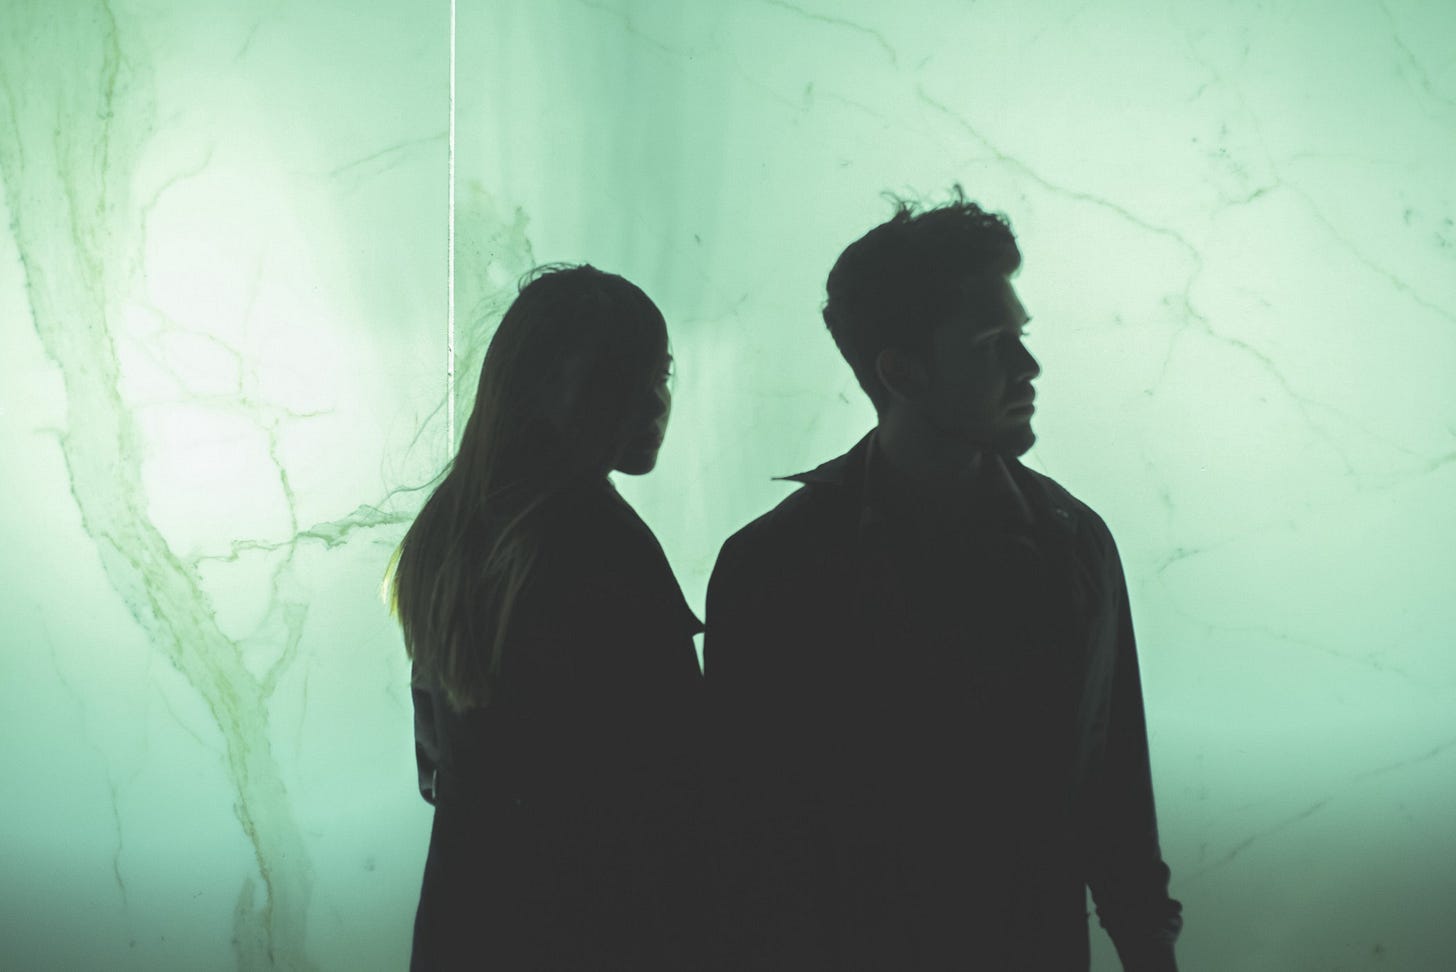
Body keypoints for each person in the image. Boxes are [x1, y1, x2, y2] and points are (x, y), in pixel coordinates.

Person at [705, 189, 1183, 970]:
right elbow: (750, 847)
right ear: (902, 370)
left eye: (1020, 336)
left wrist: (1149, 952)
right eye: (993, 342)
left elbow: (1114, 794)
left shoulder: (1075, 542)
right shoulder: (775, 567)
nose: (1028, 366)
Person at [388, 265, 705, 971]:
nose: (654, 402)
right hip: (588, 929)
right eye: (620, 379)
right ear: (548, 392)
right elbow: (673, 785)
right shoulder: (599, 544)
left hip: (470, 915)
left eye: (660, 375)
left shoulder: (449, 529)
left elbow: (439, 765)